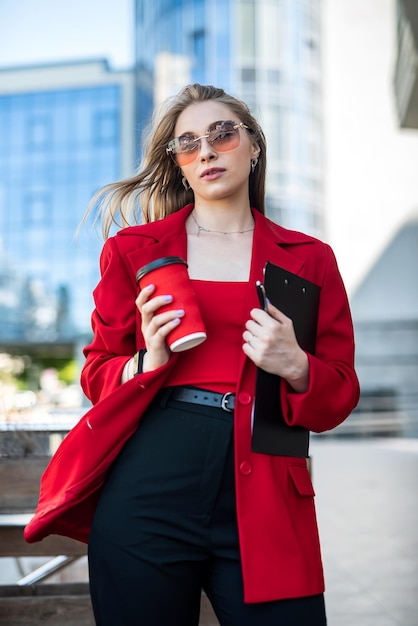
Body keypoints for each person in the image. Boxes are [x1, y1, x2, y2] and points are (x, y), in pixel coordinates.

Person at [80, 83, 360, 625]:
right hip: (149, 485)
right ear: (180, 165)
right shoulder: (134, 251)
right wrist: (149, 361)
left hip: (270, 489)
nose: (206, 151)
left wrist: (297, 365)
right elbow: (96, 375)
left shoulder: (309, 259)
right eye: (188, 144)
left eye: (222, 134)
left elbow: (340, 393)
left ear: (253, 146)